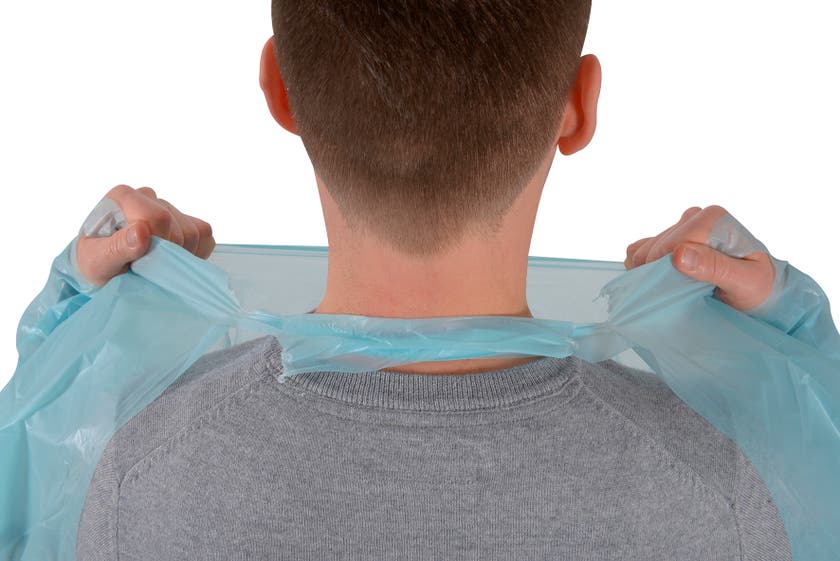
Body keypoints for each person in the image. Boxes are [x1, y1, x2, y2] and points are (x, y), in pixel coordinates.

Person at [74, 1, 791, 559]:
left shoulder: (134, 471)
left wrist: (70, 338)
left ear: (280, 89)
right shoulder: (727, 488)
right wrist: (795, 365)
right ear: (579, 105)